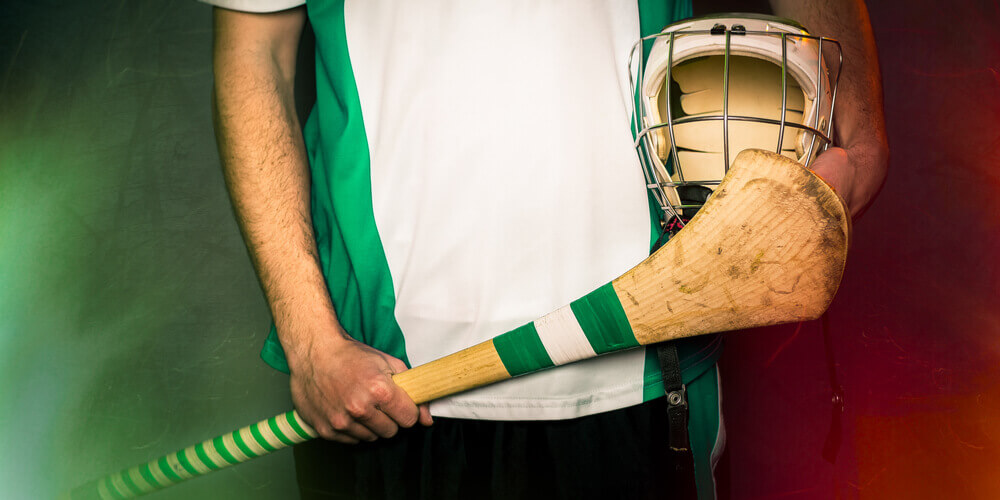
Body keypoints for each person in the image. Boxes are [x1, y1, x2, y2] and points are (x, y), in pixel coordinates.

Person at [208, 1, 887, 498]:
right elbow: (255, 48)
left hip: (645, 373)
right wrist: (310, 343)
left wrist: (862, 142)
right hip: (388, 389)